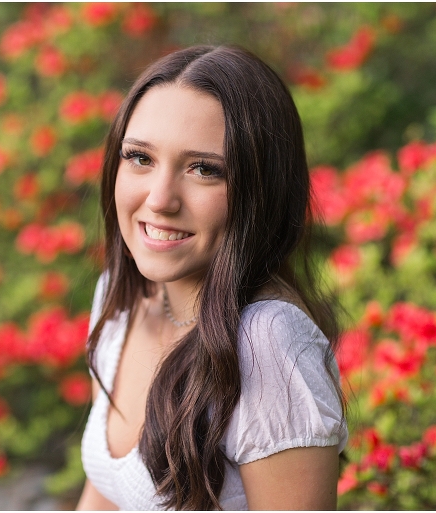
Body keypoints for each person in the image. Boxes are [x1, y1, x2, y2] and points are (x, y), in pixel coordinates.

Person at [76, 45, 347, 511]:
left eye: (204, 169)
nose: (160, 199)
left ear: (260, 192)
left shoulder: (267, 344)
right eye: (140, 157)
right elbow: (105, 495)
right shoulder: (118, 299)